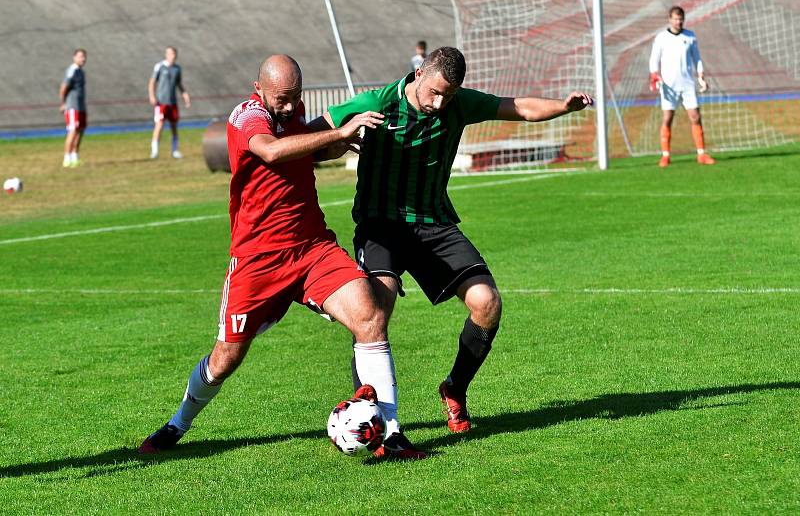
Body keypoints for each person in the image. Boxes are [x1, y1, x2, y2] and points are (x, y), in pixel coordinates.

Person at [139, 54, 426, 460]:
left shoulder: (293, 112)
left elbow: (303, 154)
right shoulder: (246, 117)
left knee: (371, 315)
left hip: (312, 249)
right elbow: (271, 152)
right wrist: (337, 133)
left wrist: (342, 142)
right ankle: (178, 423)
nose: (290, 107)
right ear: (259, 89)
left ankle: (392, 435)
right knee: (225, 360)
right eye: (281, 99)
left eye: (296, 98)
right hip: (258, 262)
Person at [313, 47, 593, 433]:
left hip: (434, 225)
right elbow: (311, 134)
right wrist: (340, 138)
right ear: (418, 76)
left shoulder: (459, 104)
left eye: (449, 94)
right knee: (374, 311)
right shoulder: (376, 103)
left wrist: (563, 106)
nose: (440, 102)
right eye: (435, 92)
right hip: (381, 226)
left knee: (487, 303)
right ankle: (368, 417)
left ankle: (455, 388)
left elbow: (519, 107)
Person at [649, 6, 715, 168]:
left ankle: (701, 154)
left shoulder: (690, 36)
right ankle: (665, 156)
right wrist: (655, 75)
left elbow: (697, 58)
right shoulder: (661, 38)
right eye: (675, 19)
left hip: (687, 84)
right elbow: (653, 60)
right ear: (669, 19)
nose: (678, 22)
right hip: (669, 86)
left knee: (695, 117)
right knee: (667, 118)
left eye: (681, 19)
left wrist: (700, 75)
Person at [148, 46, 191, 159]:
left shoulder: (177, 69)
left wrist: (185, 95)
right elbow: (152, 82)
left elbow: (179, 84)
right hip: (161, 102)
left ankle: (175, 150)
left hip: (172, 103)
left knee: (174, 126)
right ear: (166, 55)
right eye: (169, 53)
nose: (171, 56)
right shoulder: (159, 67)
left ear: (175, 56)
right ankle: (154, 151)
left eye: (173, 54)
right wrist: (152, 96)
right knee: (159, 125)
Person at [59, 49, 87, 168]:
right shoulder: (72, 71)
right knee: (72, 131)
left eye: (84, 57)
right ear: (74, 57)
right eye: (80, 56)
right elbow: (63, 88)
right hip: (72, 106)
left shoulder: (81, 72)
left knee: (80, 131)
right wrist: (64, 103)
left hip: (81, 106)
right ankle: (67, 158)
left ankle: (75, 156)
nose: (83, 59)